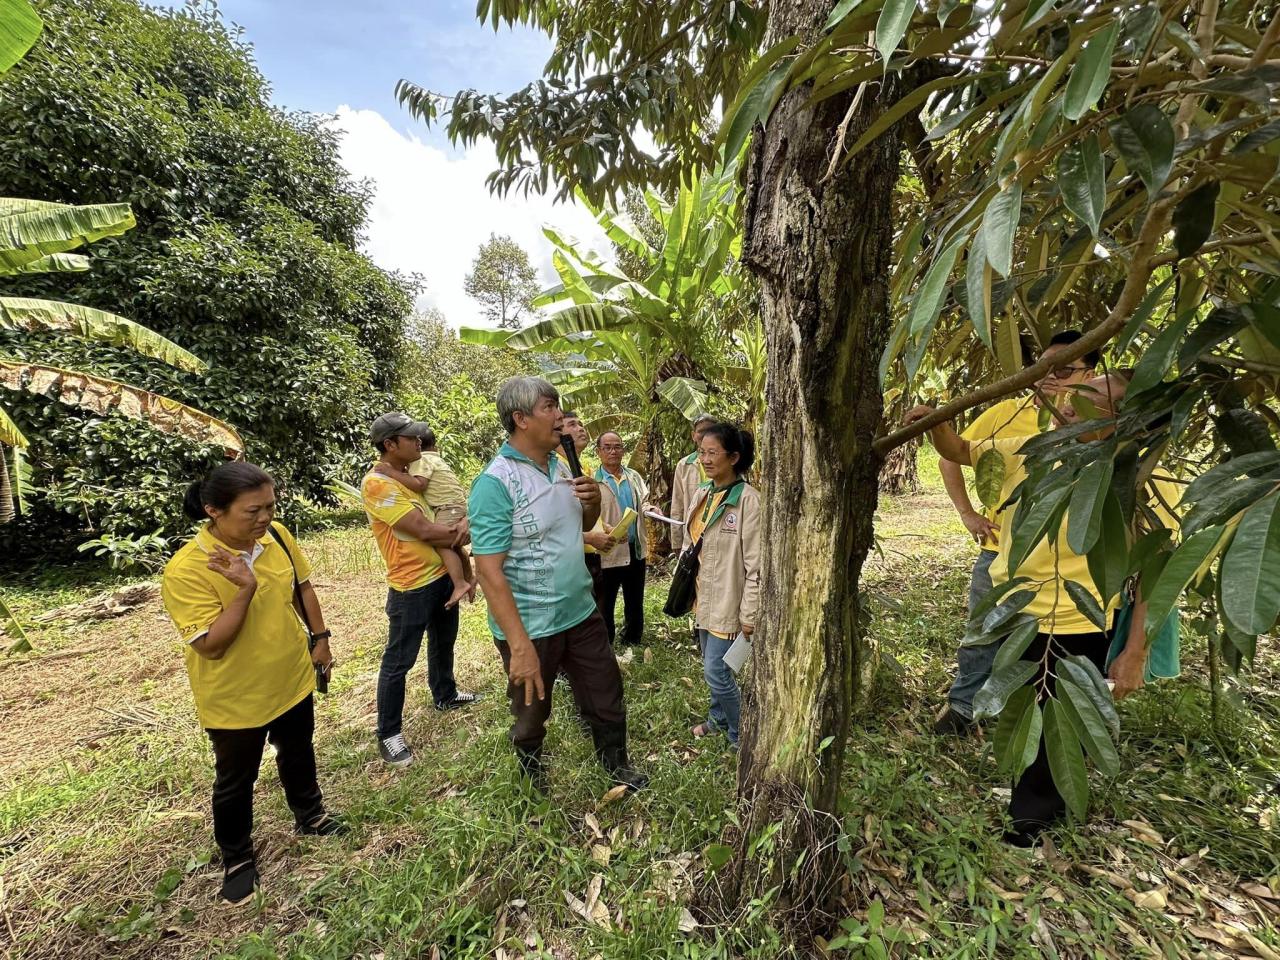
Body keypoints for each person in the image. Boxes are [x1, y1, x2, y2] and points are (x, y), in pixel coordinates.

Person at [906, 371, 1158, 844]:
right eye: (1073, 395)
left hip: (1079, 616)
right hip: (1016, 609)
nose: (1068, 405)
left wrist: (1137, 649)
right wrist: (935, 424)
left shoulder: (1137, 477)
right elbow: (962, 452)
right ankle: (1031, 794)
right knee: (1028, 710)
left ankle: (1033, 822)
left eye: (1092, 400)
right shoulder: (1033, 449)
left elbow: (1153, 571)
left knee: (1058, 722)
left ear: (1126, 417)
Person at [161, 462, 344, 904]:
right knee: (235, 780)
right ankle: (238, 857)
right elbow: (211, 646)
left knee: (298, 750)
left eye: (270, 506)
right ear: (213, 511)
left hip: (290, 675)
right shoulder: (186, 569)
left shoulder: (277, 537)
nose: (264, 518)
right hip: (236, 694)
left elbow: (303, 588)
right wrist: (243, 588)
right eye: (252, 511)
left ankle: (310, 814)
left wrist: (320, 639)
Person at [468, 376, 648, 793]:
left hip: (580, 611)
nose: (561, 417)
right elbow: (489, 570)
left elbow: (578, 529)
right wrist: (520, 646)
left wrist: (592, 506)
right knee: (532, 709)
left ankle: (616, 764)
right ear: (520, 419)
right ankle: (531, 772)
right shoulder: (495, 484)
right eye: (550, 407)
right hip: (530, 624)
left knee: (605, 691)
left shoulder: (562, 465)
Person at [934, 331, 1100, 736]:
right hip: (1003, 552)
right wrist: (968, 513)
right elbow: (954, 452)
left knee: (1051, 647)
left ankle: (1036, 716)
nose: (1047, 378)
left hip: (1072, 569)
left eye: (1061, 370)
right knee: (985, 631)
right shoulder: (1010, 416)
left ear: (1090, 374)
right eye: (1041, 367)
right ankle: (963, 706)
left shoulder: (1102, 425)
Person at [363, 412, 480, 770]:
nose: (418, 442)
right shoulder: (378, 485)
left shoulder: (404, 478)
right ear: (390, 445)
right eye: (411, 438)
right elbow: (426, 532)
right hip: (411, 585)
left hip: (440, 575)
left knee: (444, 642)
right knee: (399, 661)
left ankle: (444, 694)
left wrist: (462, 525)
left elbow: (439, 517)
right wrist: (469, 530)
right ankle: (389, 733)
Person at [684, 422, 761, 748]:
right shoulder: (704, 493)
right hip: (704, 598)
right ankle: (718, 719)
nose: (705, 459)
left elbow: (757, 564)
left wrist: (750, 613)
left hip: (730, 601)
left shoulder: (748, 501)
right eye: (702, 452)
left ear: (733, 457)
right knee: (711, 664)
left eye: (712, 453)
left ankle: (740, 735)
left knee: (717, 671)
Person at [376, 424, 477, 606]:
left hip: (447, 508)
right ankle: (468, 577)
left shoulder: (422, 461)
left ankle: (461, 582)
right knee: (451, 543)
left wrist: (391, 472)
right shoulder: (436, 460)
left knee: (442, 543)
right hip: (454, 507)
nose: (417, 443)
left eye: (418, 440)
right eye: (412, 439)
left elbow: (419, 485)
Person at [594, 431, 654, 646]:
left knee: (635, 598)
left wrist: (649, 508)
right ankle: (606, 640)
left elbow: (644, 501)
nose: (613, 451)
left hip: (635, 546)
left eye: (617, 446)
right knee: (605, 600)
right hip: (608, 550)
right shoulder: (594, 481)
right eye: (607, 447)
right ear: (599, 451)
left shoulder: (634, 477)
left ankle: (633, 638)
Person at [670, 413, 715, 530]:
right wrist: (677, 543)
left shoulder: (726, 463)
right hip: (691, 534)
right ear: (693, 436)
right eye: (701, 431)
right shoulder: (684, 465)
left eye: (710, 430)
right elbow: (677, 506)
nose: (705, 435)